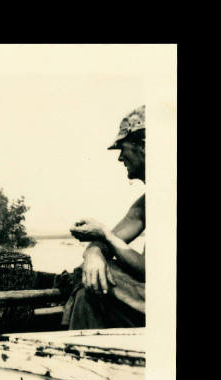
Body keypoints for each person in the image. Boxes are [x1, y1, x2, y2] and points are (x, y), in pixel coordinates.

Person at [62, 105, 146, 330]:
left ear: (144, 146)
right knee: (90, 278)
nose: (120, 158)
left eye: (122, 148)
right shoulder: (148, 202)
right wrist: (94, 252)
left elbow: (151, 271)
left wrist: (104, 235)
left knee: (92, 281)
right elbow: (107, 242)